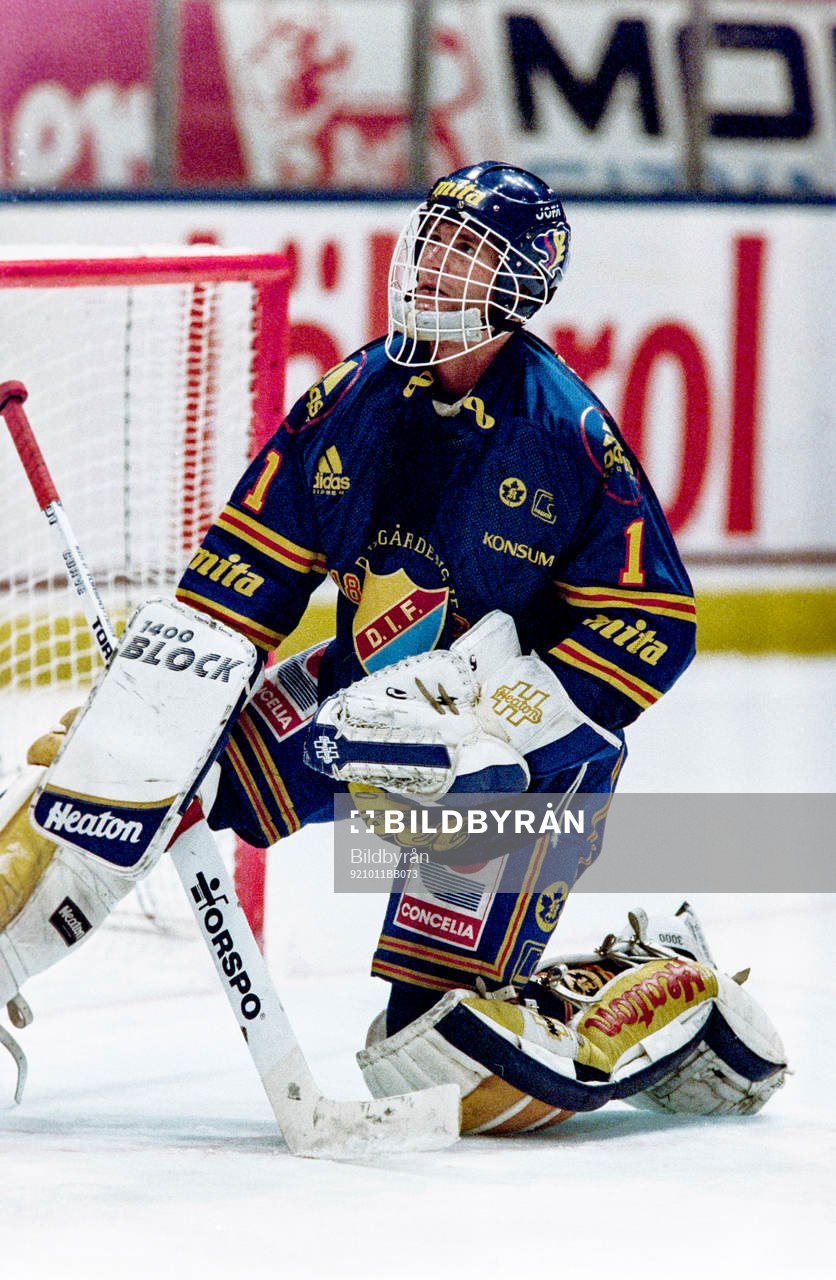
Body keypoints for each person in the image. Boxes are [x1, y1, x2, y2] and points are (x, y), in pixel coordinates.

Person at [0, 163, 786, 1129]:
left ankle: (676, 993)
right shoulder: (354, 398)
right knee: (130, 775)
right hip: (357, 705)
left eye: (467, 253)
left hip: (514, 773)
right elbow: (245, 573)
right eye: (432, 243)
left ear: (524, 285)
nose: (433, 268)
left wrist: (490, 714)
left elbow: (655, 625)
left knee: (436, 1067)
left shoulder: (566, 432)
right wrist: (151, 710)